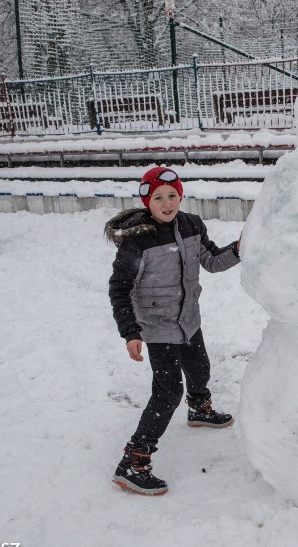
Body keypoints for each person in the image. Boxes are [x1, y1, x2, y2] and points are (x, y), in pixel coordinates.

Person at [104, 166, 241, 496]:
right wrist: (131, 332)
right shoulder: (138, 241)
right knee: (167, 393)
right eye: (159, 198)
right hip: (156, 327)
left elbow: (211, 261)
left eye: (173, 196)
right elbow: (119, 287)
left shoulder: (191, 226)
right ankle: (134, 461)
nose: (167, 204)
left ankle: (199, 408)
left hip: (188, 318)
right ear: (147, 201)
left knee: (200, 369)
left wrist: (238, 249)